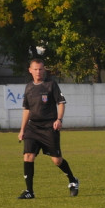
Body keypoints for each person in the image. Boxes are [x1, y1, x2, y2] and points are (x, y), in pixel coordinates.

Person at [17, 58, 79, 199]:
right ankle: (29, 191)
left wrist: (59, 119)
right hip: (33, 127)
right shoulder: (28, 87)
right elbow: (26, 109)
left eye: (40, 69)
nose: (38, 72)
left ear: (44, 70)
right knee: (28, 156)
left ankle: (73, 180)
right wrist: (22, 130)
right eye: (35, 69)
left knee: (57, 160)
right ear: (30, 70)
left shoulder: (51, 85)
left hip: (49, 128)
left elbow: (61, 103)